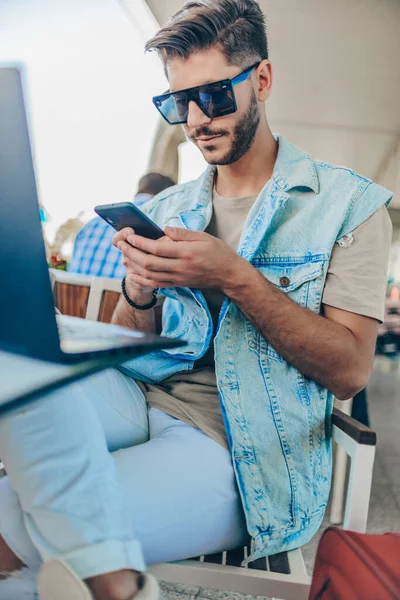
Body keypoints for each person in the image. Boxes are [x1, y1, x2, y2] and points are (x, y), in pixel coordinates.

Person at [0, 1, 393, 599]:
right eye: (176, 102)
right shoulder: (168, 208)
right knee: (17, 360)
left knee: (18, 528)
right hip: (141, 397)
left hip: (240, 449)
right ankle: (117, 582)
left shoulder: (348, 207)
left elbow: (348, 370)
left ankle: (109, 579)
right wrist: (139, 288)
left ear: (261, 79)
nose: (194, 120)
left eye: (211, 97)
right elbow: (134, 345)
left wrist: (236, 276)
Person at [67, 172, 175, 278]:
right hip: (122, 294)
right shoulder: (162, 222)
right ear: (170, 195)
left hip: (74, 294)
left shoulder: (90, 225)